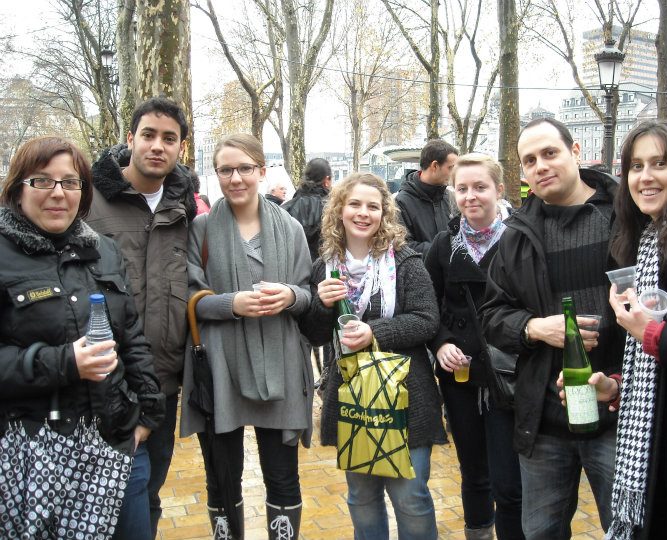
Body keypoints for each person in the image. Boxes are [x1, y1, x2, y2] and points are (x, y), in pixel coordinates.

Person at [0, 137, 164, 536]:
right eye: (42, 181)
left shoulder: (104, 250)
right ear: (18, 189)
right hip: (35, 455)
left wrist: (147, 412)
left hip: (117, 444)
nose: (58, 193)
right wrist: (64, 363)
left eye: (70, 183)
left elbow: (132, 338)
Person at [566, 120, 667, 539]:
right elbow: (654, 367)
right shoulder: (647, 244)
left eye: (660, 163)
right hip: (660, 451)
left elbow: (661, 341)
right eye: (636, 166)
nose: (645, 177)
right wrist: (615, 387)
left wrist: (654, 335)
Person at [481, 117, 625, 539]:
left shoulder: (624, 219)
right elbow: (492, 316)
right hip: (545, 421)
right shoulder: (517, 236)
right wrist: (535, 328)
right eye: (529, 160)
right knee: (540, 531)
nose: (540, 166)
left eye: (550, 153)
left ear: (576, 151)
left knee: (628, 527)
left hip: (619, 414)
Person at [179, 133, 314, 540]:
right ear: (216, 173)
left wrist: (290, 295)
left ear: (261, 171)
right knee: (222, 477)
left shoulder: (290, 227)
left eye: (244, 169)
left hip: (281, 365)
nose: (235, 178)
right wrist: (228, 304)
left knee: (283, 476)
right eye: (226, 170)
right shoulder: (200, 229)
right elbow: (187, 297)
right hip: (220, 368)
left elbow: (308, 294)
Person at [300, 172, 445, 539]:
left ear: (384, 213)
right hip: (353, 396)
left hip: (406, 396)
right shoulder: (326, 266)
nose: (363, 213)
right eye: (355, 204)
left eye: (373, 206)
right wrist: (320, 303)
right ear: (339, 210)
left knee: (411, 497)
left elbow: (427, 320)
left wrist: (374, 331)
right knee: (361, 497)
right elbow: (315, 335)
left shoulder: (405, 261)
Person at [87, 96, 196, 539]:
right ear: (130, 138)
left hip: (163, 385)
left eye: (169, 138)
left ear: (181, 148)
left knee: (149, 493)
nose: (157, 146)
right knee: (103, 502)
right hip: (100, 386)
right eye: (148, 135)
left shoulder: (185, 208)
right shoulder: (87, 202)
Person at [424, 154, 524, 540]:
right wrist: (441, 342)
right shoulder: (444, 245)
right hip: (460, 377)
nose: (470, 196)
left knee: (508, 480)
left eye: (480, 187)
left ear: (499, 190)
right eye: (462, 188)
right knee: (474, 474)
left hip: (508, 374)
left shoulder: (520, 239)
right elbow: (428, 305)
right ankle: (478, 532)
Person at [395, 139, 458, 257]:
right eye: (450, 168)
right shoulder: (400, 203)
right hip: (421, 273)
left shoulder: (452, 198)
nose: (454, 173)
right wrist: (442, 250)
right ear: (434, 165)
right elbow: (402, 246)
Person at [282, 157, 332, 261]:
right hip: (324, 269)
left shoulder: (284, 209)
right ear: (326, 180)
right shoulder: (332, 208)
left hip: (294, 269)